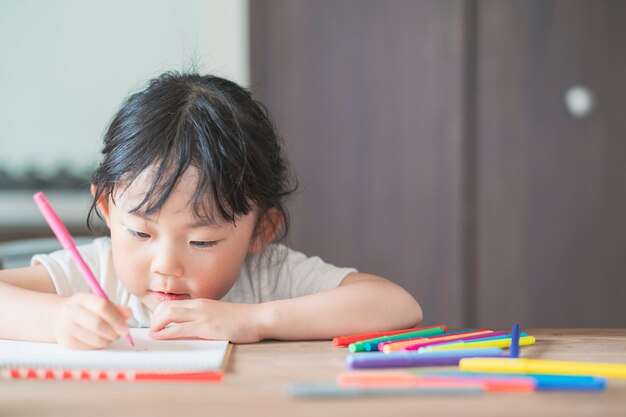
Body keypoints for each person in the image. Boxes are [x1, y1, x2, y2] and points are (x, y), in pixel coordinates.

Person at [0, 72, 422, 349]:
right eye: (141, 234)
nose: (166, 265)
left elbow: (397, 306)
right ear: (108, 207)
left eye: (202, 240)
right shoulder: (96, 273)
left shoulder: (265, 276)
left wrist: (253, 320)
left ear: (262, 230)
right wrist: (57, 319)